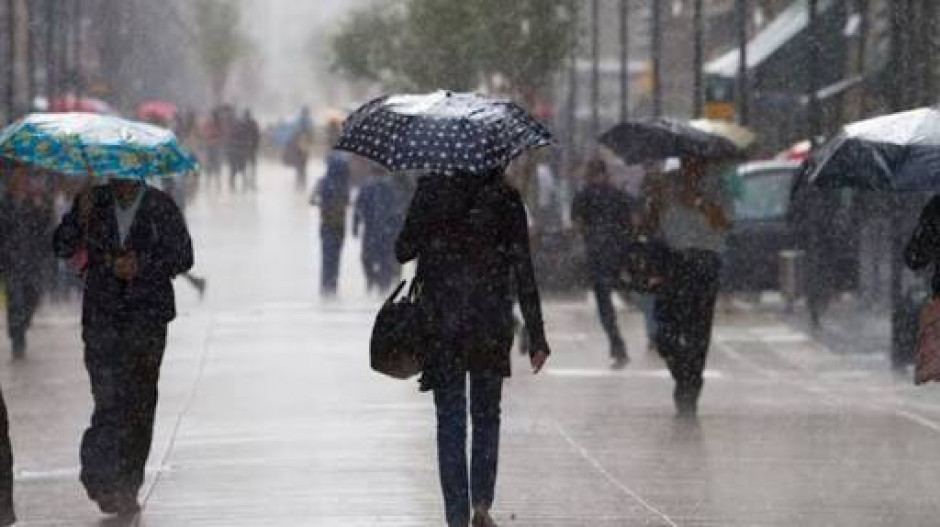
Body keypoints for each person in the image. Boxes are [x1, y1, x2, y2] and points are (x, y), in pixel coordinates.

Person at [396, 171, 551, 527]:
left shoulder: (431, 190)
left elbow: (402, 249)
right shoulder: (507, 198)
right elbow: (523, 267)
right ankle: (481, 502)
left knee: (450, 419)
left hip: (443, 324)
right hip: (490, 321)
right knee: (486, 415)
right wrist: (537, 335)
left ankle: (456, 515)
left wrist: (429, 225)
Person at [53, 177, 193, 516]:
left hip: (147, 320)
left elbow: (183, 257)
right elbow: (62, 247)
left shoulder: (161, 205)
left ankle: (127, 485)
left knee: (140, 402)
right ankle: (100, 475)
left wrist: (142, 265)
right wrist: (77, 218)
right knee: (108, 399)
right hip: (103, 318)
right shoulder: (93, 202)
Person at [649, 157, 731, 417]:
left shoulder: (718, 189)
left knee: (698, 330)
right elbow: (648, 224)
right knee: (665, 332)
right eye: (687, 162)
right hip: (672, 261)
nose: (691, 167)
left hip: (705, 261)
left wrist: (697, 201)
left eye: (697, 163)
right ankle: (682, 373)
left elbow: (725, 223)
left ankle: (691, 385)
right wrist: (656, 200)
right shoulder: (667, 187)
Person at [571, 158, 636, 368]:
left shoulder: (583, 196)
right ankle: (656, 337)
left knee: (605, 304)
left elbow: (577, 224)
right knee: (637, 293)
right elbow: (632, 222)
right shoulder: (618, 195)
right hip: (620, 253)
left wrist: (590, 235)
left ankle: (618, 346)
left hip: (597, 256)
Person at [0, 166, 53, 358]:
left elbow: (46, 229)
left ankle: (22, 325)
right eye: (18, 178)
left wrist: (42, 210)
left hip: (32, 261)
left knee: (33, 296)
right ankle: (17, 339)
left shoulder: (35, 203)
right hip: (11, 262)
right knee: (16, 300)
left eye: (24, 179)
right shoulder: (4, 204)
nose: (21, 182)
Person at [353, 171, 402, 293]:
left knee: (369, 257)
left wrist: (355, 225)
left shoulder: (368, 187)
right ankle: (382, 284)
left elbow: (358, 208)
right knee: (383, 258)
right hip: (385, 230)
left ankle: (376, 282)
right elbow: (397, 211)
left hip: (375, 229)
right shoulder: (391, 188)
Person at [311, 151, 350, 295]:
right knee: (336, 257)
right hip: (340, 225)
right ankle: (333, 286)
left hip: (326, 224)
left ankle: (325, 286)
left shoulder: (322, 182)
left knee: (326, 256)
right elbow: (347, 201)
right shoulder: (344, 184)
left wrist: (321, 202)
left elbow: (311, 200)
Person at [284, 107, 314, 189]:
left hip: (298, 148)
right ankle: (303, 183)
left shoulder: (298, 121)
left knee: (299, 166)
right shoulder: (308, 122)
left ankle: (298, 183)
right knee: (303, 166)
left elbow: (293, 134)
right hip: (304, 147)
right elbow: (311, 135)